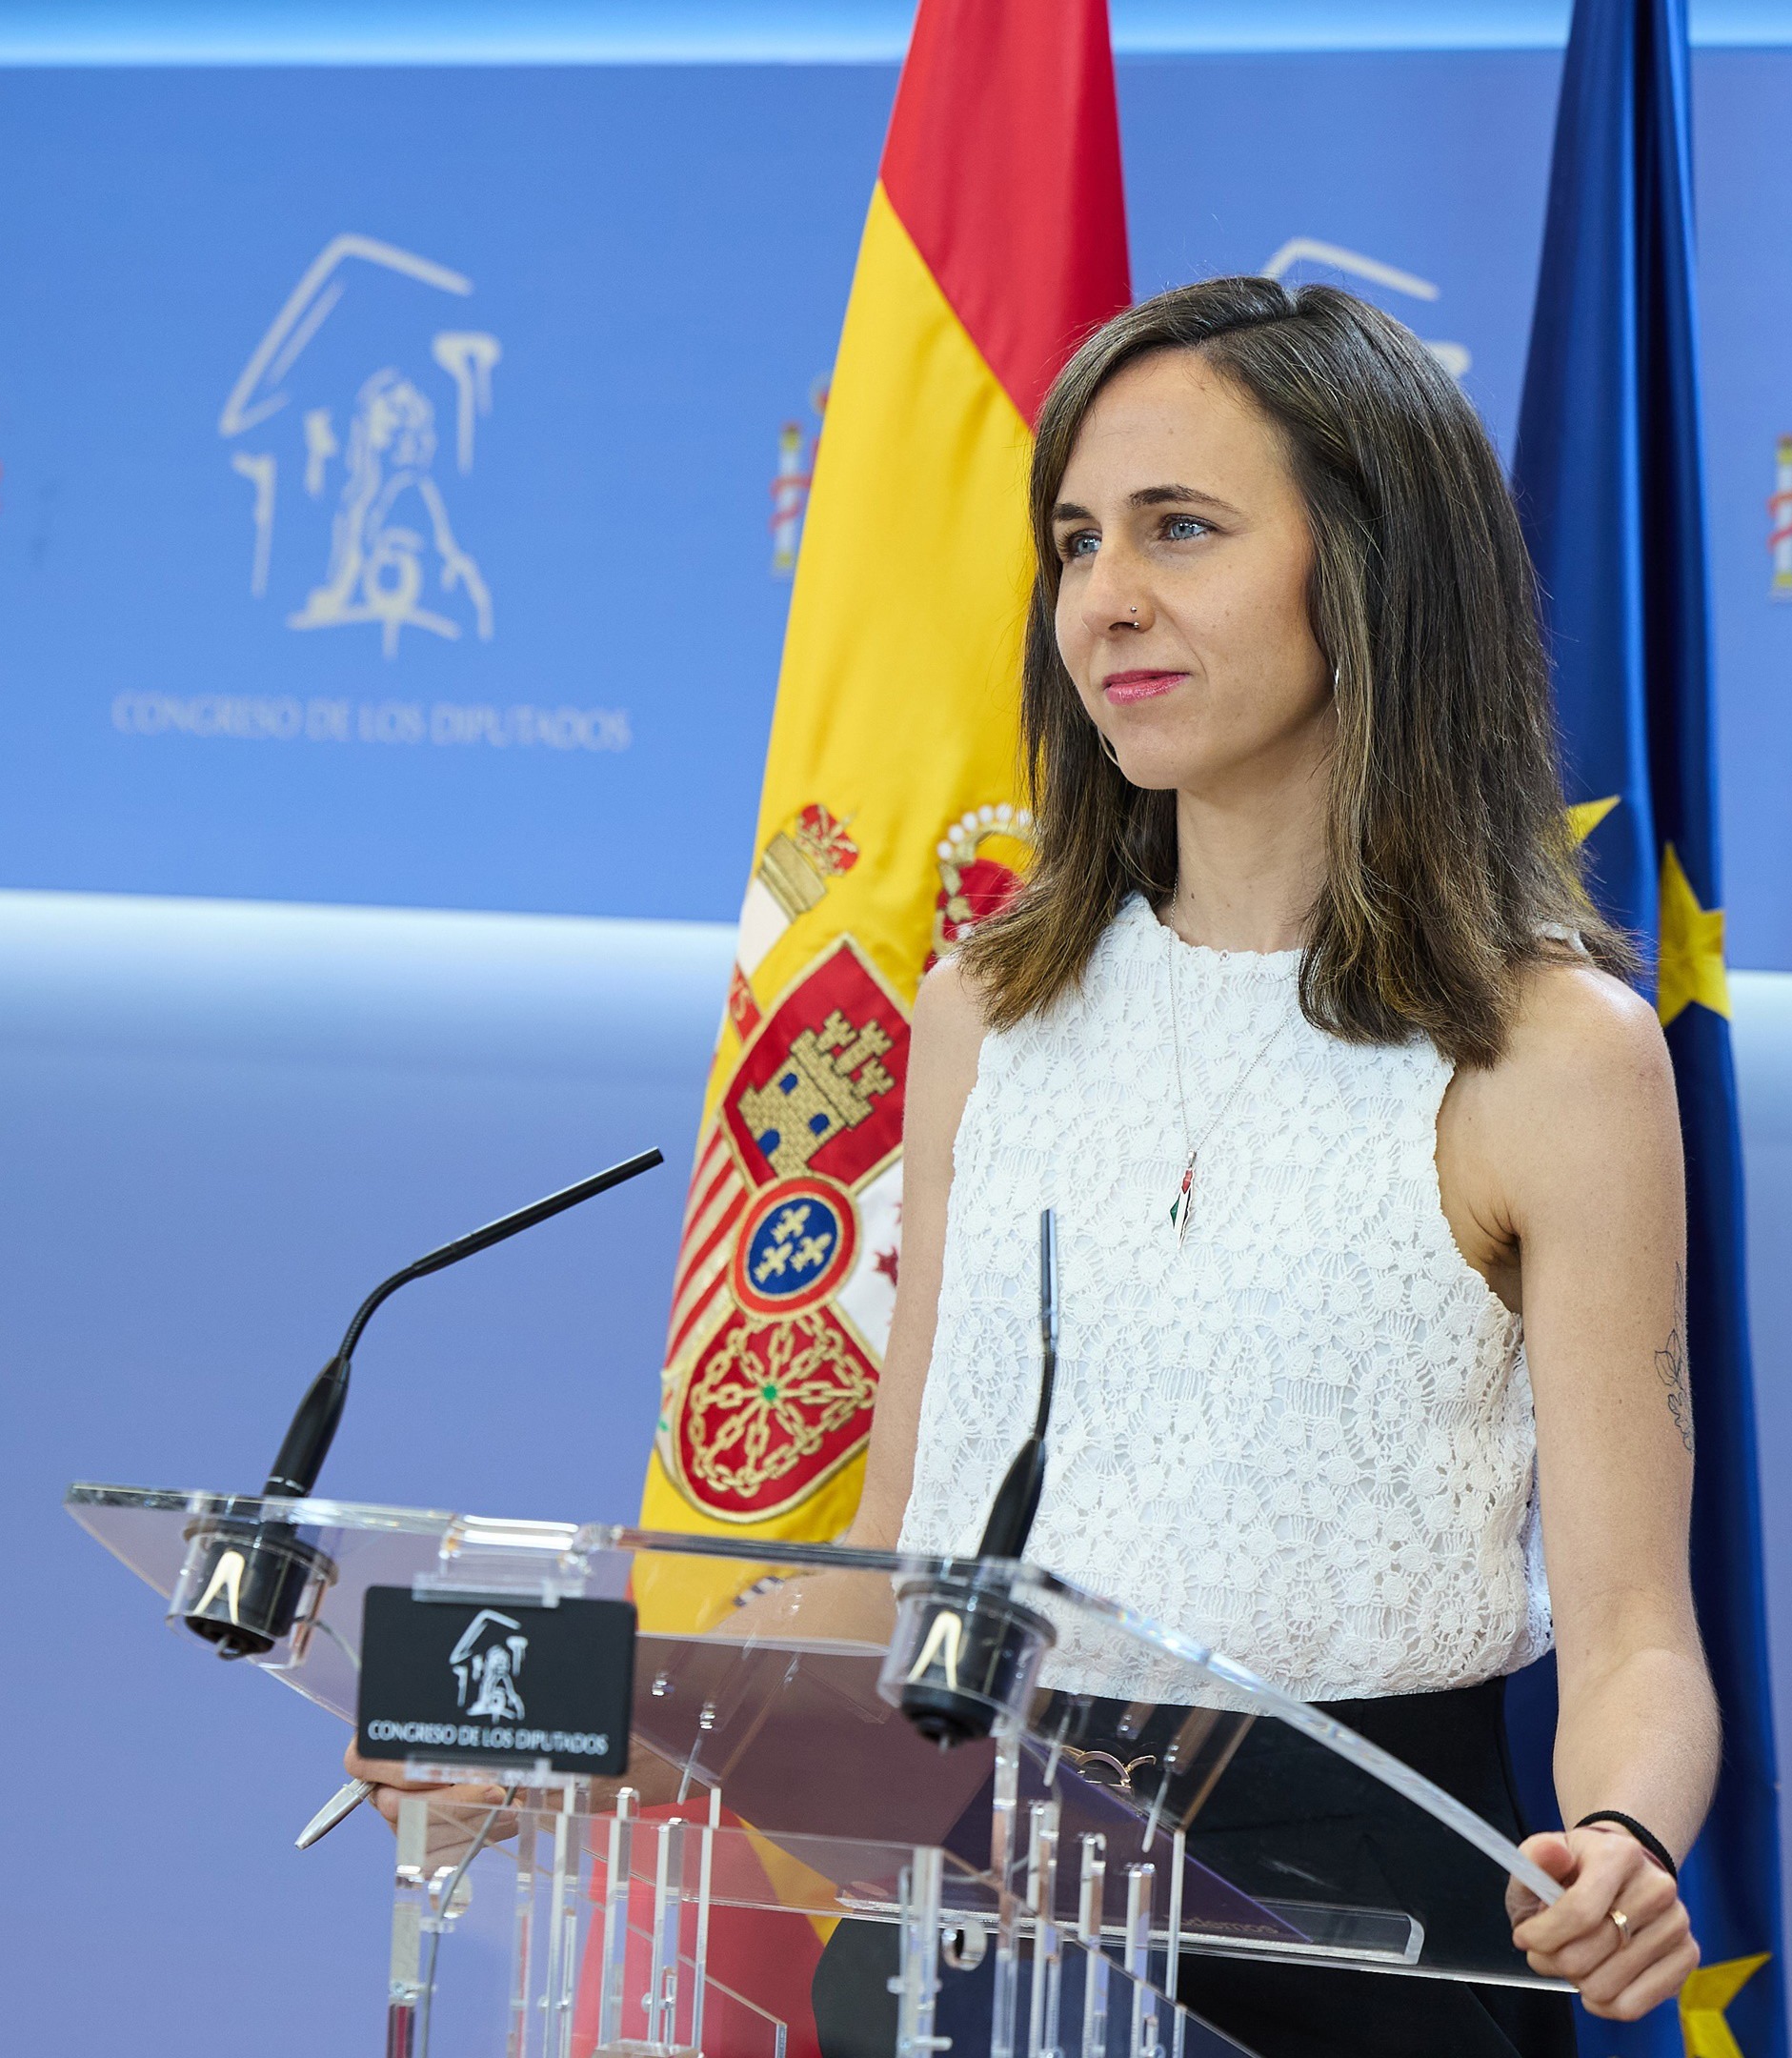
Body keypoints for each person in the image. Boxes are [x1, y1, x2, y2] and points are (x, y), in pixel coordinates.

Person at [357, 275, 1717, 2052]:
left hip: (1358, 1943)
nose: (1106, 598)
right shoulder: (988, 1008)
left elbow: (1635, 1634)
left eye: (1181, 528)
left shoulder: (1550, 1054)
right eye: (1077, 542)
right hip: (965, 1920)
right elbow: (892, 1560)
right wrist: (544, 1721)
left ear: (1375, 570)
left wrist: (1620, 1841)